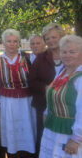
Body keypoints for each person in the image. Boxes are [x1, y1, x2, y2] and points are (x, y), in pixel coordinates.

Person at [0, 29, 36, 158]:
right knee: (12, 133)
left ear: (19, 43)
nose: (12, 44)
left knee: (27, 129)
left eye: (15, 41)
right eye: (9, 41)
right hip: (8, 103)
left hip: (27, 102)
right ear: (3, 43)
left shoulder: (28, 58)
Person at [39, 35, 82, 158]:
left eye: (72, 52)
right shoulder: (61, 71)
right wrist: (47, 113)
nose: (67, 55)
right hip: (53, 128)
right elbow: (53, 95)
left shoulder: (80, 78)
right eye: (64, 52)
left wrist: (76, 139)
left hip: (70, 133)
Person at [28, 23, 65, 155]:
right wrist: (46, 88)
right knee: (44, 140)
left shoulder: (71, 54)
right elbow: (31, 81)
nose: (51, 41)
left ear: (61, 36)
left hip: (67, 109)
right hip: (44, 106)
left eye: (54, 37)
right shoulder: (40, 58)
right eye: (47, 38)